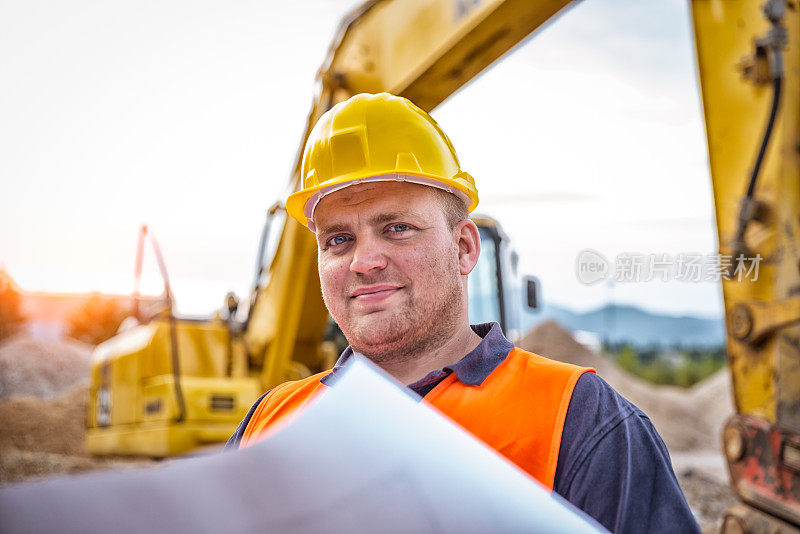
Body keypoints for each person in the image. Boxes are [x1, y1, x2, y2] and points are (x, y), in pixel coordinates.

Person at [226, 92, 699, 533]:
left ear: (464, 248)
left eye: (396, 228)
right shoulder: (270, 420)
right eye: (338, 239)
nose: (363, 261)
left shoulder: (579, 418)